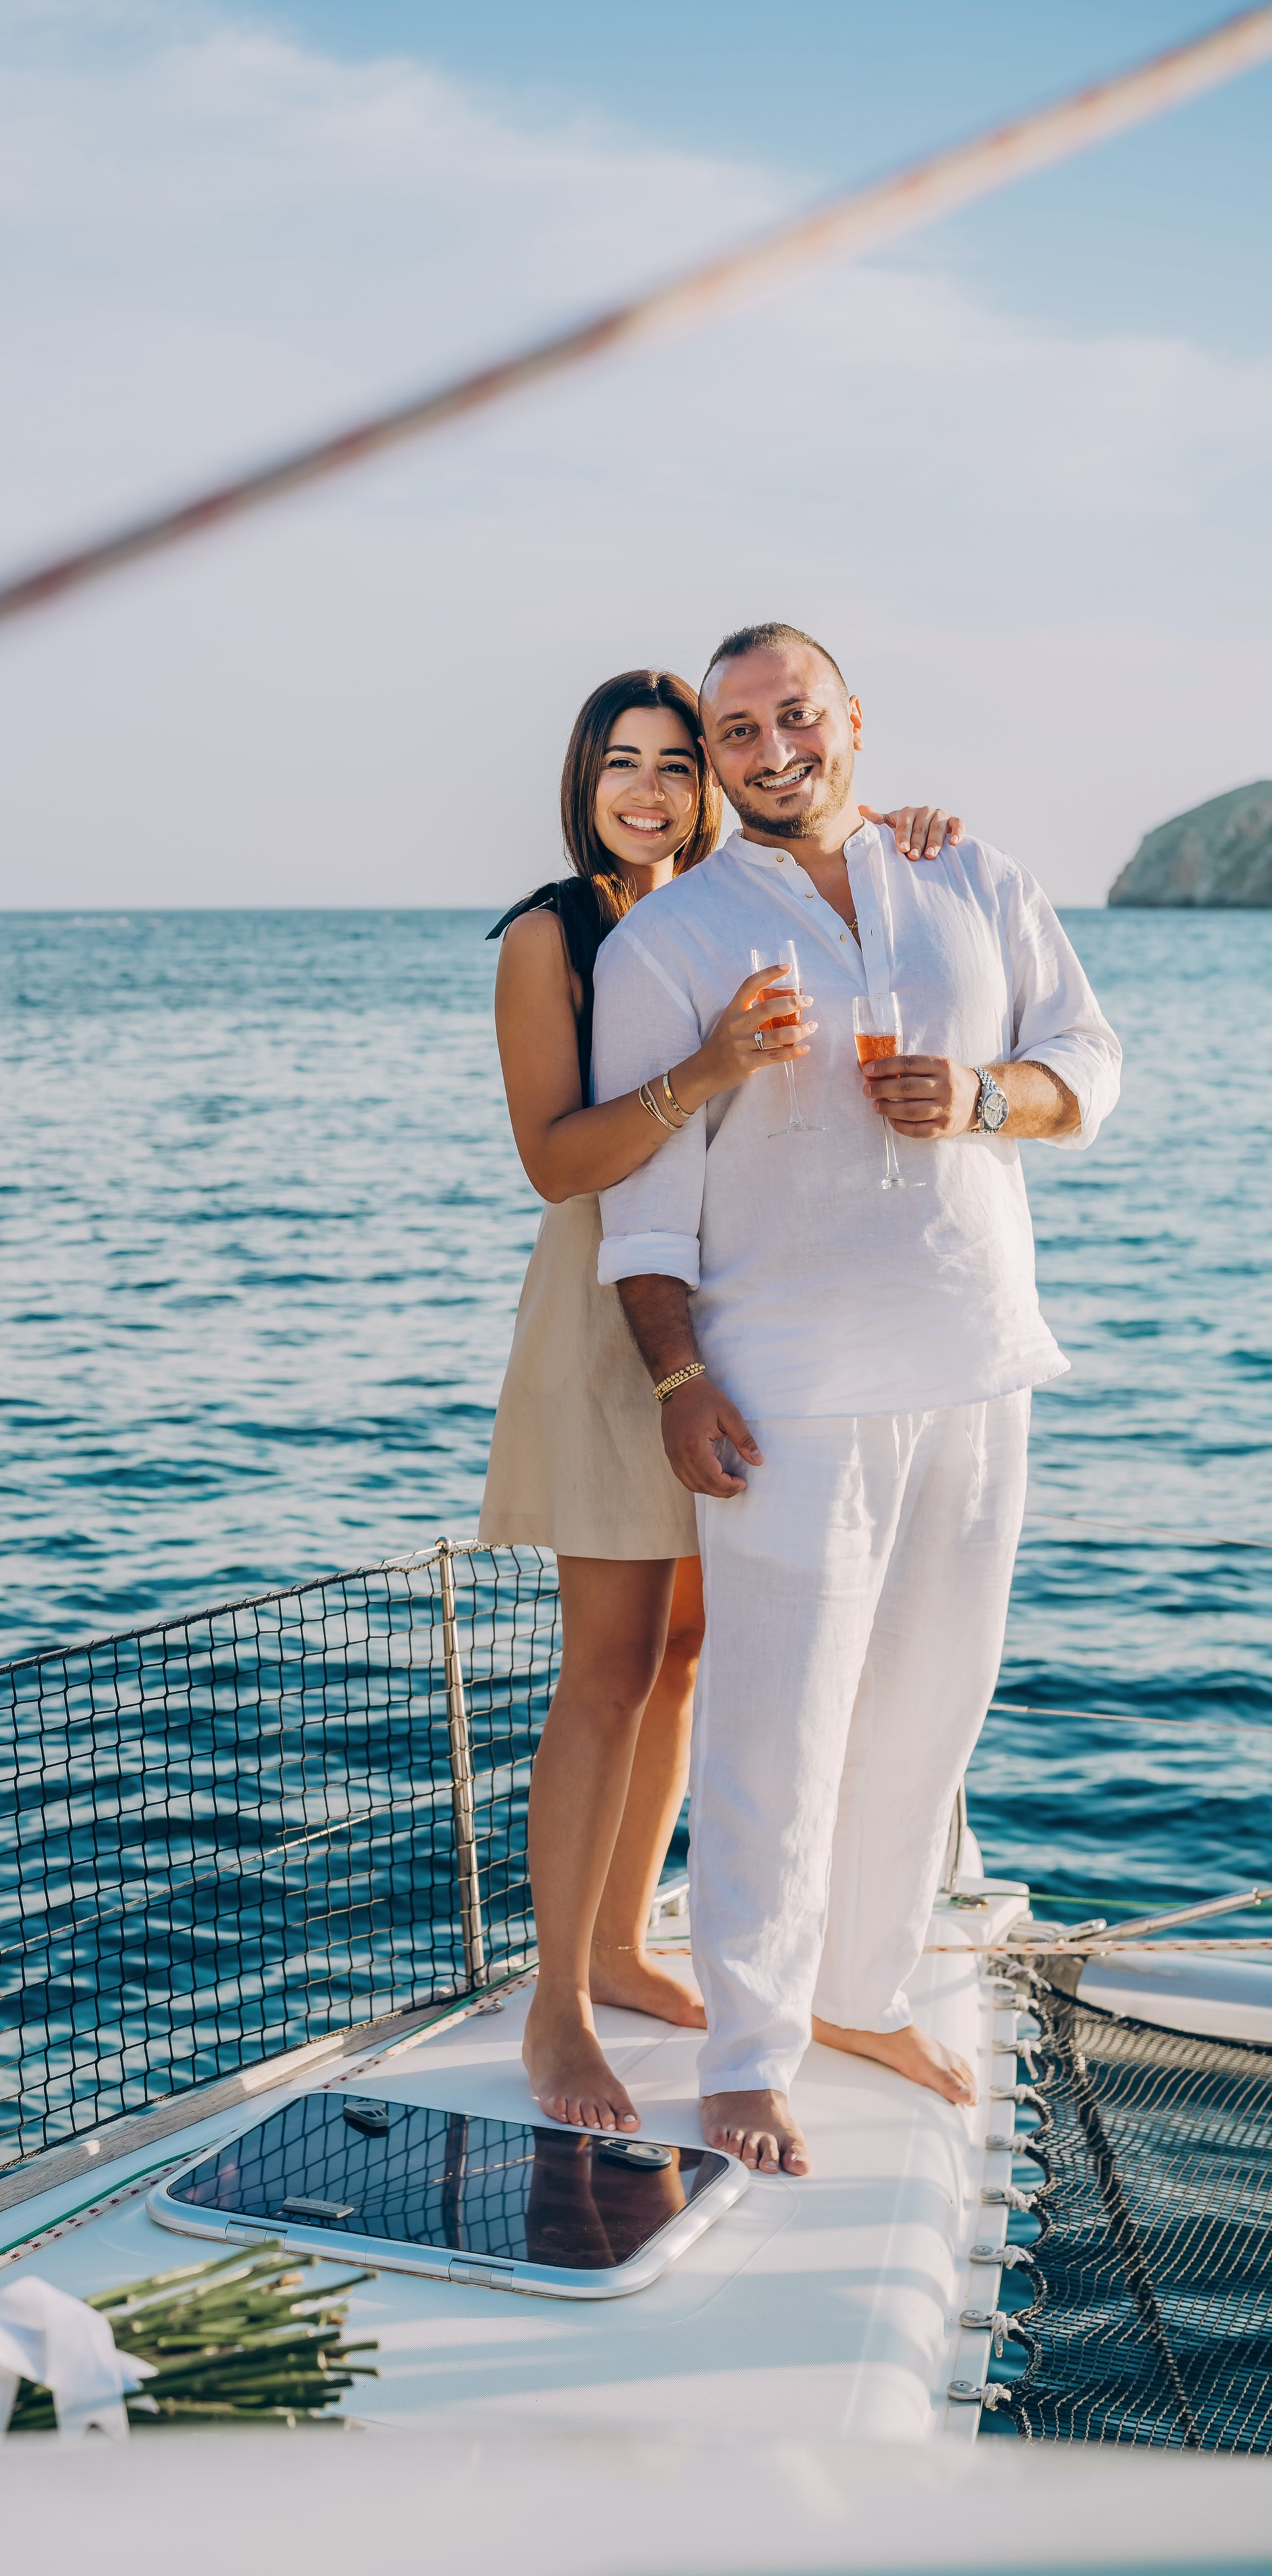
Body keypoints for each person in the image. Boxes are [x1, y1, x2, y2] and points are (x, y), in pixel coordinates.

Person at [591, 623, 1122, 2174]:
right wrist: (678, 1380)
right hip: (785, 1391)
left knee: (927, 1711)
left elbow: (1084, 1057)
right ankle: (747, 2052)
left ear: (851, 721)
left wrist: (975, 1098)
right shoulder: (663, 946)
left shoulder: (972, 879)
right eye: (737, 729)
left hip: (976, 1354)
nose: (772, 751)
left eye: (796, 718)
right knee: (777, 1723)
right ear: (715, 753)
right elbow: (640, 1209)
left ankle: (862, 1991)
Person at [482, 665, 968, 2135]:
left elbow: (841, 850)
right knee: (608, 1664)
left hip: (738, 1307)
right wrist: (703, 1069)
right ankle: (554, 2011)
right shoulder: (549, 936)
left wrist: (900, 829)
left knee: (693, 1650)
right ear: (583, 785)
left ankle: (629, 1945)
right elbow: (556, 1164)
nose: (649, 790)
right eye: (620, 764)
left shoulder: (729, 910)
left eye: (675, 764)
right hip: (610, 1319)